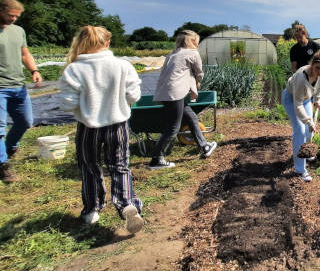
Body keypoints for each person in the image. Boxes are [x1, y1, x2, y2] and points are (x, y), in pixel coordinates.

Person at [58, 26, 144, 233]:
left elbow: (68, 104)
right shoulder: (122, 66)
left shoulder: (74, 69)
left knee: (90, 167)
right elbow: (134, 96)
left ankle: (92, 210)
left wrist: (87, 102)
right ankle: (126, 204)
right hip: (118, 125)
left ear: (81, 43)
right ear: (107, 43)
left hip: (89, 127)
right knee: (120, 166)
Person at [148, 30, 217, 170]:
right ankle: (156, 159)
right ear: (191, 41)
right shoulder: (192, 53)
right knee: (173, 128)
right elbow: (199, 73)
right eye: (197, 40)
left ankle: (204, 146)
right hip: (175, 94)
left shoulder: (173, 54)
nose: (198, 43)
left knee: (191, 118)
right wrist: (198, 82)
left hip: (165, 93)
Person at [0, 0, 42, 183]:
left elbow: (25, 53)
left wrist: (34, 70)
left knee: (25, 121)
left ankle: (9, 148)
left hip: (18, 85)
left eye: (17, 16)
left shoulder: (18, 31)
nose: (14, 19)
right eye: (11, 15)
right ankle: (3, 166)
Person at [282, 50, 320, 182]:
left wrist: (317, 99)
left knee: (309, 132)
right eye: (318, 68)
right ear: (312, 64)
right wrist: (308, 120)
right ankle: (300, 170)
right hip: (292, 99)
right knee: (300, 131)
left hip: (306, 99)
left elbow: (319, 87)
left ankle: (307, 152)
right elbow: (297, 105)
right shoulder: (301, 77)